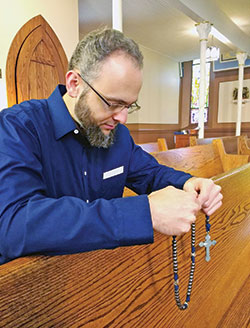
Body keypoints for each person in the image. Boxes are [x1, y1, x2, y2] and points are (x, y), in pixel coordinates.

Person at [0, 28, 222, 264]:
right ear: (75, 84)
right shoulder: (18, 128)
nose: (123, 118)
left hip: (102, 277)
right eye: (113, 103)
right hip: (34, 289)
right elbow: (13, 225)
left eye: (129, 106)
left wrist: (189, 183)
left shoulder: (118, 135)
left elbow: (151, 173)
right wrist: (145, 213)